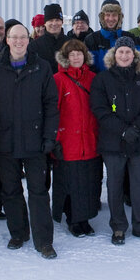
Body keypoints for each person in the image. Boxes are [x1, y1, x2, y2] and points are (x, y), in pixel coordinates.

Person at [0, 23, 60, 259]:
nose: (18, 41)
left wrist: (49, 136)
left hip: (35, 140)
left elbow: (51, 104)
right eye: (14, 37)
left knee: (38, 192)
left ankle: (44, 240)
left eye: (23, 37)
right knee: (11, 191)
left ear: (29, 40)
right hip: (5, 141)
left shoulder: (41, 66)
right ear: (7, 40)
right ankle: (18, 233)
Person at [90, 36, 140, 245]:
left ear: (135, 55)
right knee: (115, 186)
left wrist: (137, 128)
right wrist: (122, 130)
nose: (124, 55)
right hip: (113, 143)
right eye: (120, 52)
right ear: (114, 55)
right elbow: (100, 109)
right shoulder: (103, 79)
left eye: (128, 52)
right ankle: (118, 226)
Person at [51, 39, 101, 237]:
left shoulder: (94, 78)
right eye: (71, 54)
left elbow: (109, 105)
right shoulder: (58, 80)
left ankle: (85, 218)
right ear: (65, 58)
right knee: (71, 182)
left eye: (79, 53)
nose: (76, 57)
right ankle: (73, 219)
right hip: (68, 140)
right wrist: (55, 137)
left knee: (88, 182)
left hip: (90, 139)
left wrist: (115, 110)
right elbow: (53, 110)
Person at [85, 0, 134, 73]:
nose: (111, 19)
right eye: (107, 15)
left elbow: (137, 64)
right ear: (102, 17)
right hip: (99, 82)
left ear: (119, 17)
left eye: (114, 15)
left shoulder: (130, 38)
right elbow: (87, 67)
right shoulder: (91, 39)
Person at [28, 3, 67, 74]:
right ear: (45, 23)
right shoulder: (34, 46)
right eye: (51, 20)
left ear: (62, 22)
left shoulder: (71, 43)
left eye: (57, 20)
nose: (54, 23)